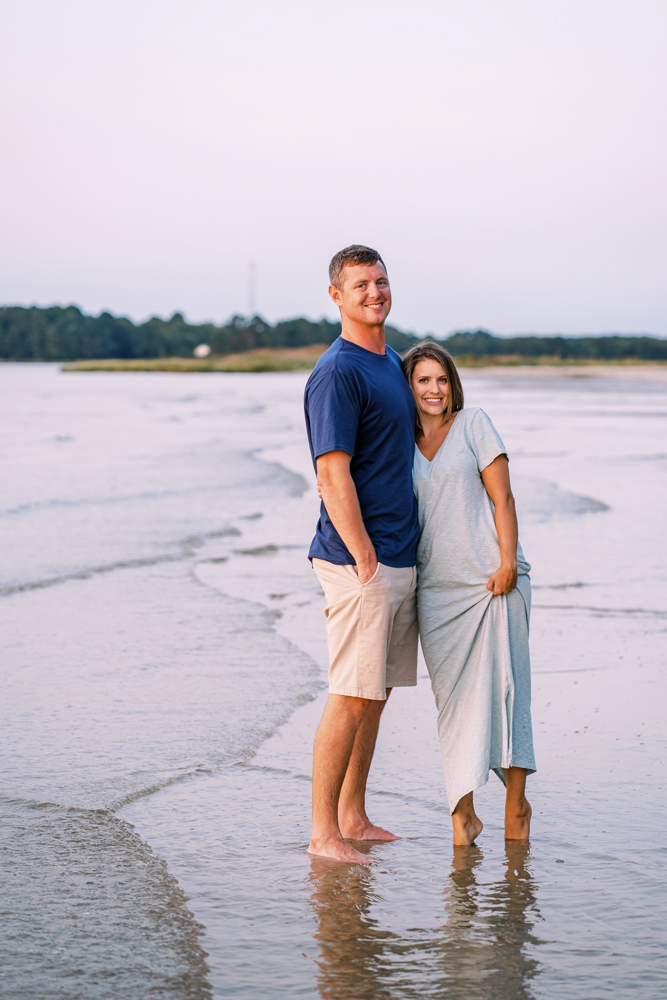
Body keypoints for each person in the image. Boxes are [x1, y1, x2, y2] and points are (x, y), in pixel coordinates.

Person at [304, 245, 420, 864]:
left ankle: (353, 814)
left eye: (380, 281)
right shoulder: (337, 371)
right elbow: (331, 473)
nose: (374, 293)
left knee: (374, 694)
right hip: (359, 561)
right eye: (360, 285)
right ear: (337, 296)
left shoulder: (393, 362)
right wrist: (364, 555)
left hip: (399, 555)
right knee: (349, 695)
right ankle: (324, 834)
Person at [402, 342, 536, 846]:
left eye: (440, 380)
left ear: (451, 384)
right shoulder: (402, 440)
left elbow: (503, 498)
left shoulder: (475, 422)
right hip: (437, 589)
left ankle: (515, 807)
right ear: (409, 388)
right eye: (422, 381)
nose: (433, 390)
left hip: (493, 582)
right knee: (453, 704)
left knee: (507, 692)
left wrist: (506, 563)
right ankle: (463, 814)